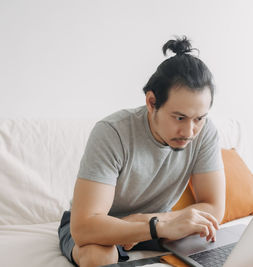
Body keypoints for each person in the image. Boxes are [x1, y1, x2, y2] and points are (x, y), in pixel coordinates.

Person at [58, 36, 226, 267]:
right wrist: (157, 226)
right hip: (104, 226)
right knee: (98, 258)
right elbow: (85, 226)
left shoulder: (205, 132)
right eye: (179, 117)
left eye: (199, 118)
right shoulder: (112, 132)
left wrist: (146, 221)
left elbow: (214, 208)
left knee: (213, 245)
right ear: (151, 101)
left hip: (163, 224)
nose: (189, 131)